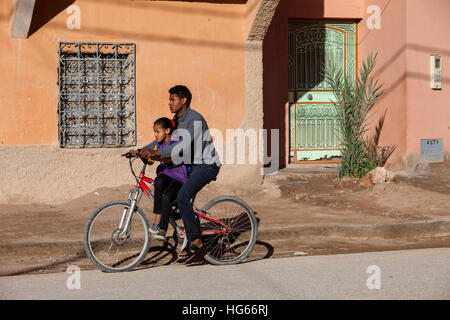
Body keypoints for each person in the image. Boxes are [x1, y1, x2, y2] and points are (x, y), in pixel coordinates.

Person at [139, 85, 221, 260]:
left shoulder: (195, 120)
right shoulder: (176, 121)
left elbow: (180, 146)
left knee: (183, 196)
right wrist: (140, 150)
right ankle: (186, 225)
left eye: (172, 99)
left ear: (183, 100)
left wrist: (157, 154)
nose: (169, 103)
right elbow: (162, 142)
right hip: (190, 166)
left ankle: (195, 240)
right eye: (169, 99)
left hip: (206, 165)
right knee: (171, 193)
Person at [130, 117, 188, 241]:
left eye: (158, 132)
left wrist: (154, 155)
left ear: (167, 130)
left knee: (167, 196)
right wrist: (137, 152)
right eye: (154, 132)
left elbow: (169, 155)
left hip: (178, 177)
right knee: (158, 181)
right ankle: (157, 217)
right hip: (166, 175)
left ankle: (163, 229)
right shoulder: (158, 143)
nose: (155, 135)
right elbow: (147, 148)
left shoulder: (176, 141)